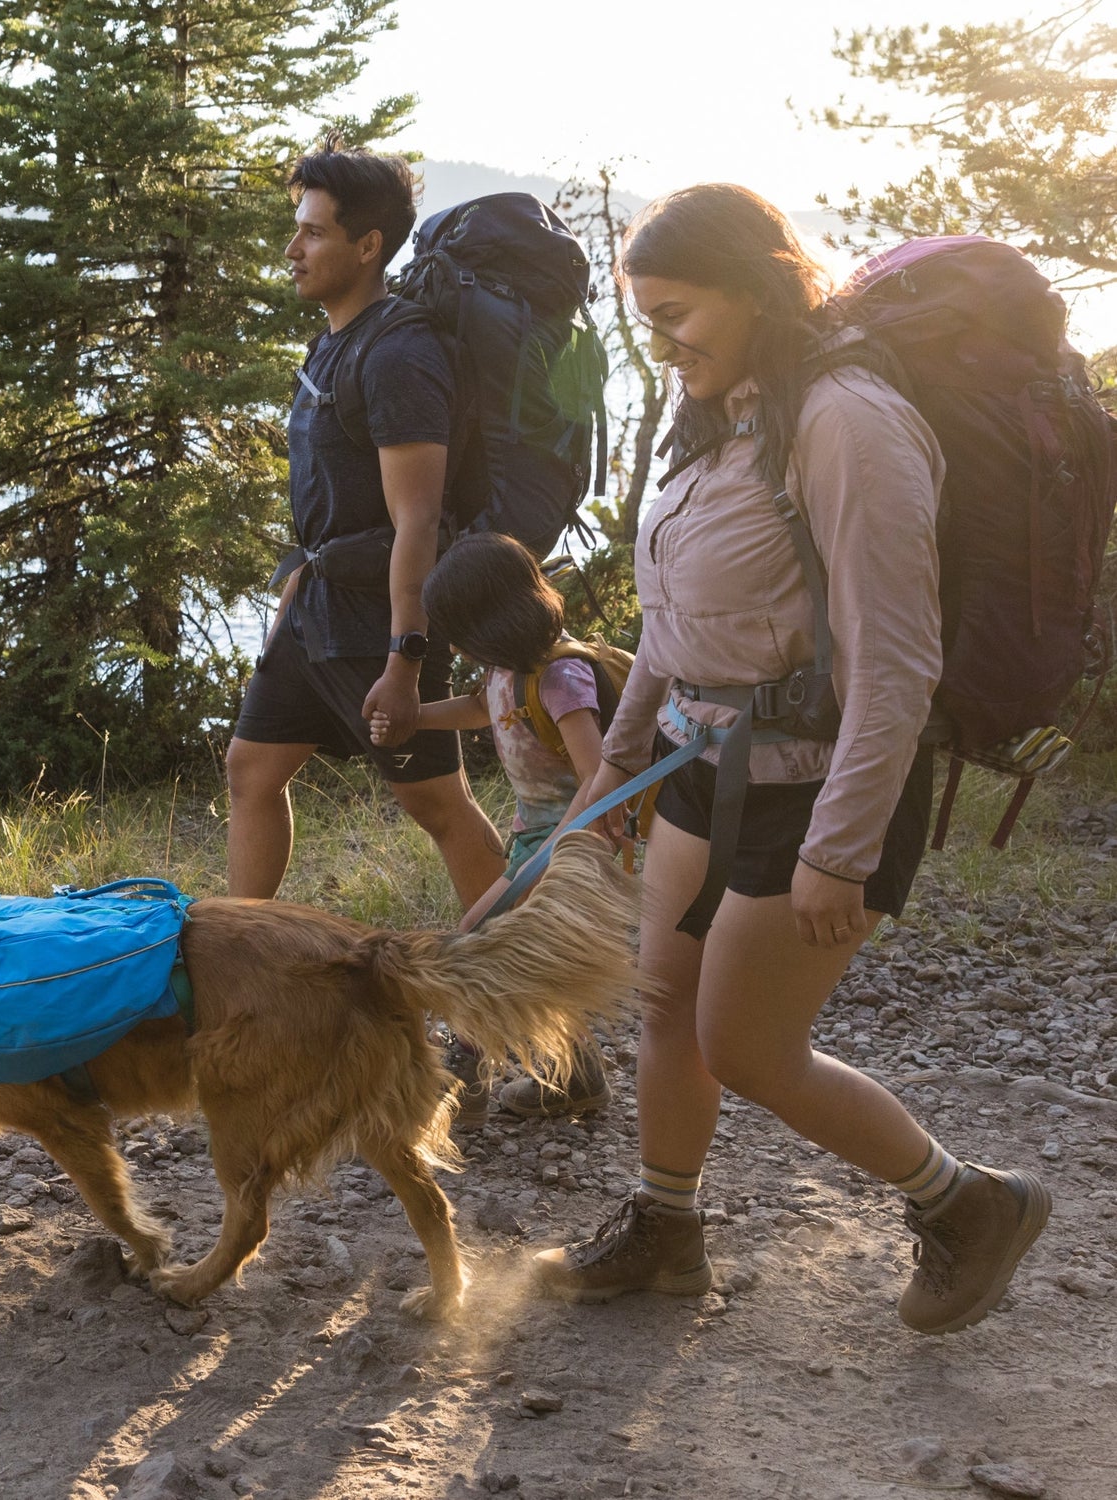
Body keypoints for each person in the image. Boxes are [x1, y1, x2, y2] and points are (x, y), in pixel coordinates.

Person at [532, 183, 1050, 1337]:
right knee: (666, 1004)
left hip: (818, 788)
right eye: (646, 320)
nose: (661, 344)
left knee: (750, 1048)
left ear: (756, 288)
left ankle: (971, 1205)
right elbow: (674, 626)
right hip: (694, 765)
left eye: (678, 314)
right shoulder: (725, 411)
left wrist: (842, 847)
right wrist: (612, 773)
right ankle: (666, 1232)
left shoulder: (848, 420)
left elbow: (897, 660)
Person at [226, 138, 505, 912]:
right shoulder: (337, 340)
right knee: (251, 769)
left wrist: (406, 660)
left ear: (368, 245)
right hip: (317, 608)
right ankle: (238, 956)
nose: (293, 249)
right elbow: (333, 495)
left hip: (375, 622)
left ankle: (529, 995)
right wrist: (296, 579)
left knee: (437, 806)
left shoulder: (399, 354)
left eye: (313, 232)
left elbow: (419, 521)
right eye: (298, 228)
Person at [370, 531, 613, 1121]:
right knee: (534, 958)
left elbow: (600, 775)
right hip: (536, 838)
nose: (455, 644)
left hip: (574, 846)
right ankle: (575, 1077)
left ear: (490, 619)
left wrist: (558, 850)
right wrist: (415, 719)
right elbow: (484, 709)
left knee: (483, 939)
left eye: (459, 629)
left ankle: (460, 1082)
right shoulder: (507, 671)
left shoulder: (560, 678)